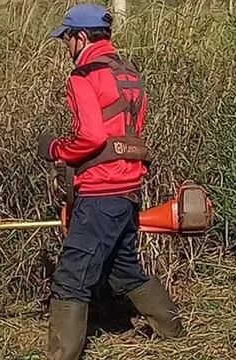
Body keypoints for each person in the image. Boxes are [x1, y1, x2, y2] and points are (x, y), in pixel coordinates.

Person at [37, 3, 186, 359]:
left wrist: (57, 148)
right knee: (122, 269)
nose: (67, 47)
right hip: (129, 188)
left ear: (80, 37)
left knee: (71, 277)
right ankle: (175, 333)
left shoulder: (83, 76)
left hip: (100, 190)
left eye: (67, 39)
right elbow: (132, 131)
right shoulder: (130, 73)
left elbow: (89, 137)